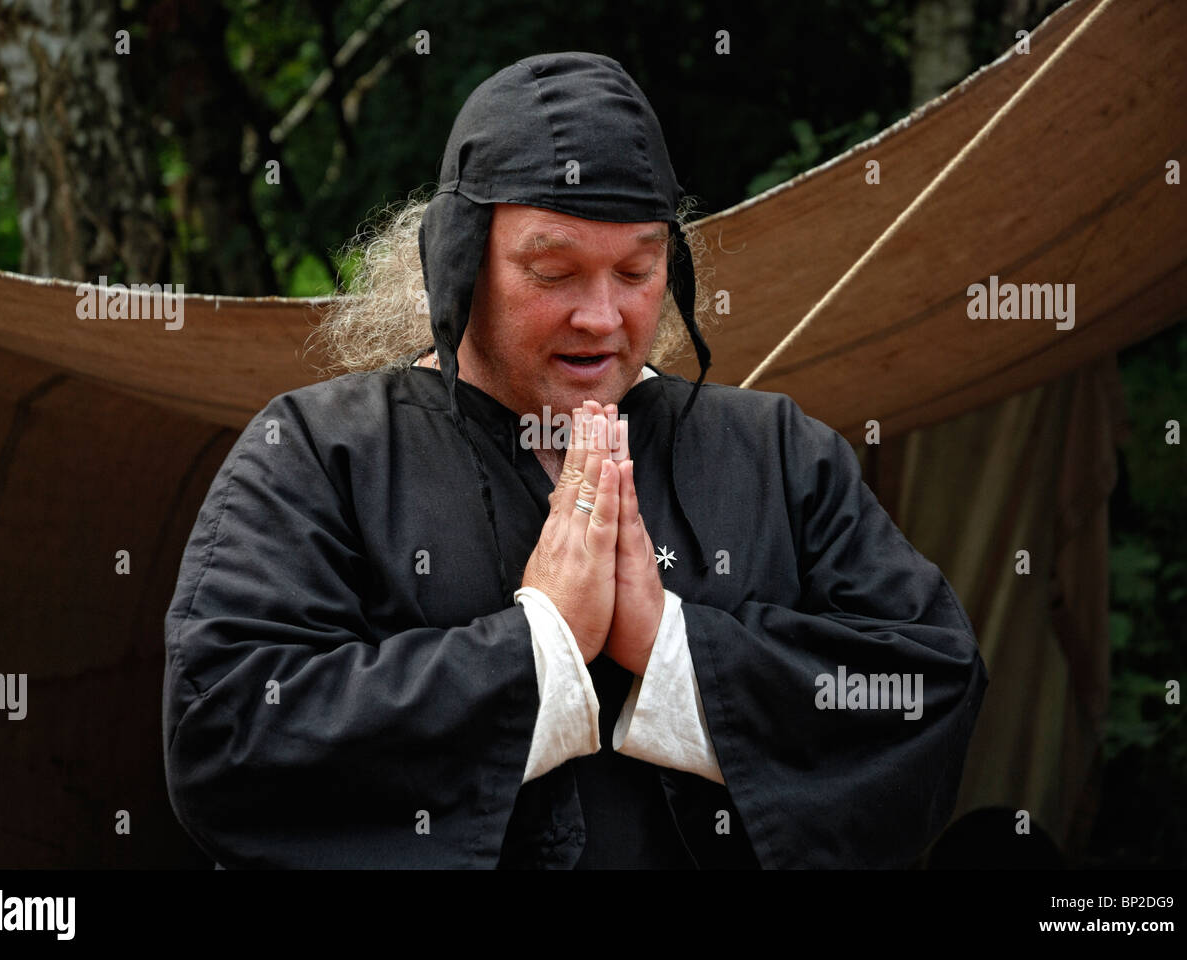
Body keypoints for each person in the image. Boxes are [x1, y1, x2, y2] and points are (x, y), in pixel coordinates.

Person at [162, 51, 988, 869]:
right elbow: (228, 730)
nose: (602, 316)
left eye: (637, 269)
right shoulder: (320, 454)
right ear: (459, 264)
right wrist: (539, 650)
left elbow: (928, 687)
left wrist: (672, 647)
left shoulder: (777, 451)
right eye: (552, 272)